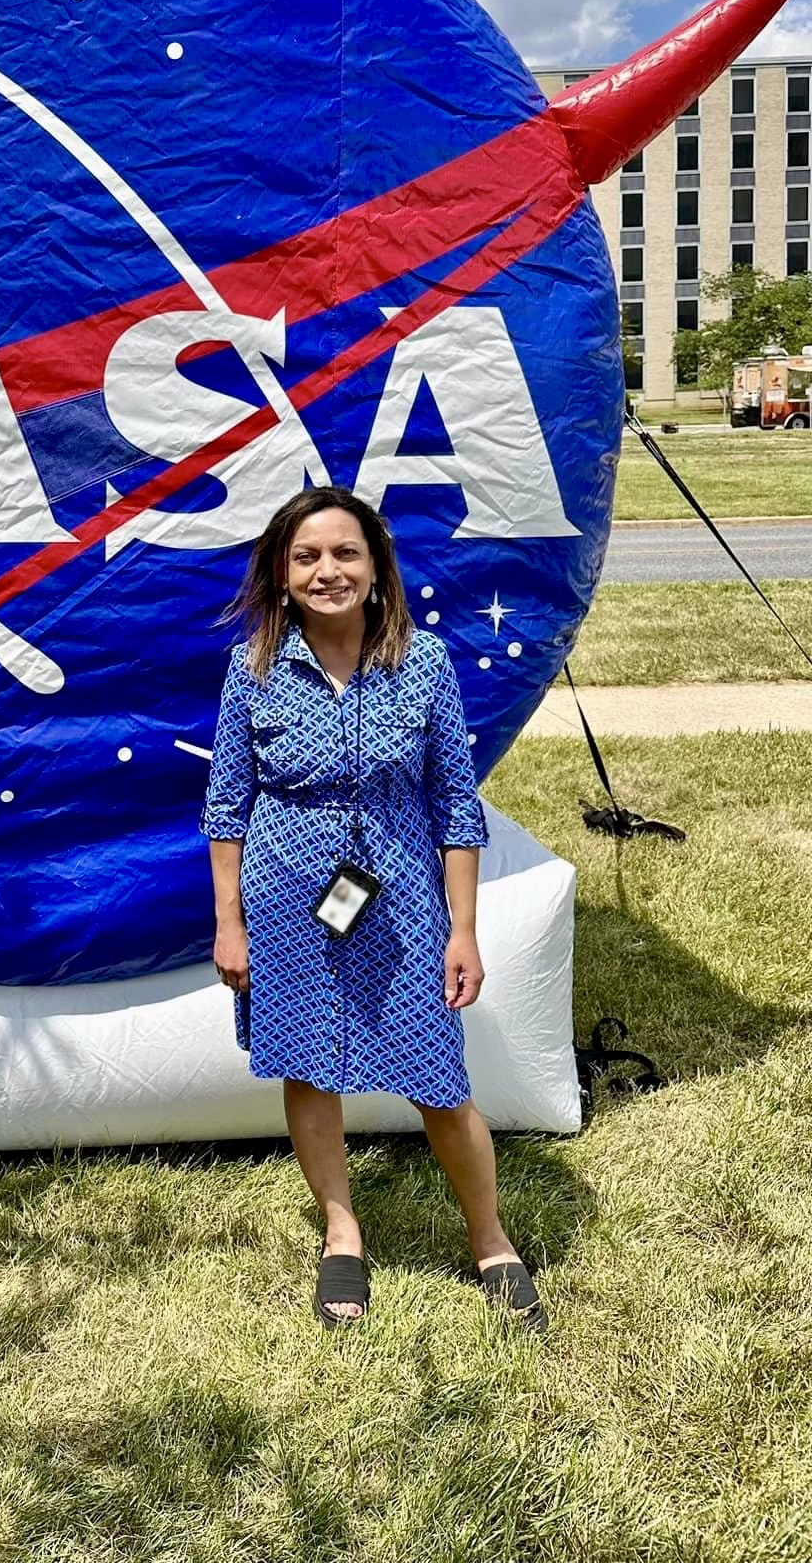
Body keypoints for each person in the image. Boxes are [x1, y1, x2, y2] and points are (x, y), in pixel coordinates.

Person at [203, 484, 547, 1332]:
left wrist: (462, 928)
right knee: (311, 1066)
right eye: (308, 556)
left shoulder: (422, 663)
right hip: (289, 901)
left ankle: (491, 1240)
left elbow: (455, 806)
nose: (329, 571)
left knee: (437, 1075)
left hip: (396, 900)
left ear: (377, 568)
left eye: (346, 553)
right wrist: (229, 921)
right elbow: (225, 806)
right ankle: (342, 1233)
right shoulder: (251, 669)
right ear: (282, 576)